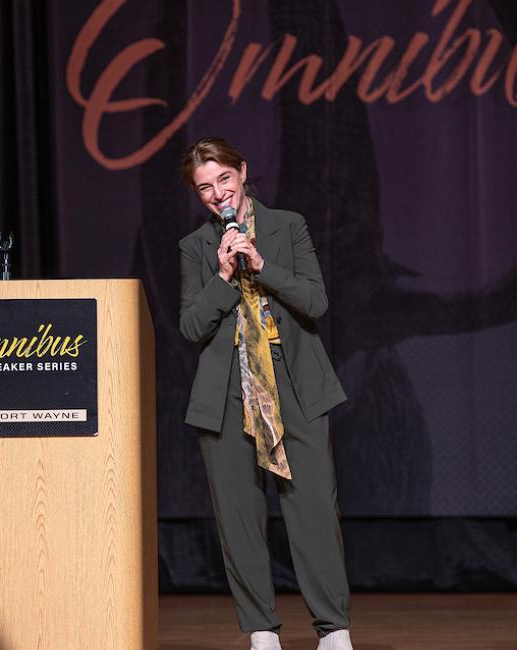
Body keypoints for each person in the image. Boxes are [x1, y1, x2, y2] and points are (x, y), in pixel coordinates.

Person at [177, 137, 353, 650]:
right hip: (228, 388)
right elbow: (191, 327)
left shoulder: (287, 226)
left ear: (242, 172)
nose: (217, 194)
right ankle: (261, 632)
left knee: (315, 510)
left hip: (293, 382)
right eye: (205, 187)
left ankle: (333, 630)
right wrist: (225, 275)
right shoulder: (196, 247)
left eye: (224, 180)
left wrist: (263, 266)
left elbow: (315, 301)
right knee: (239, 519)